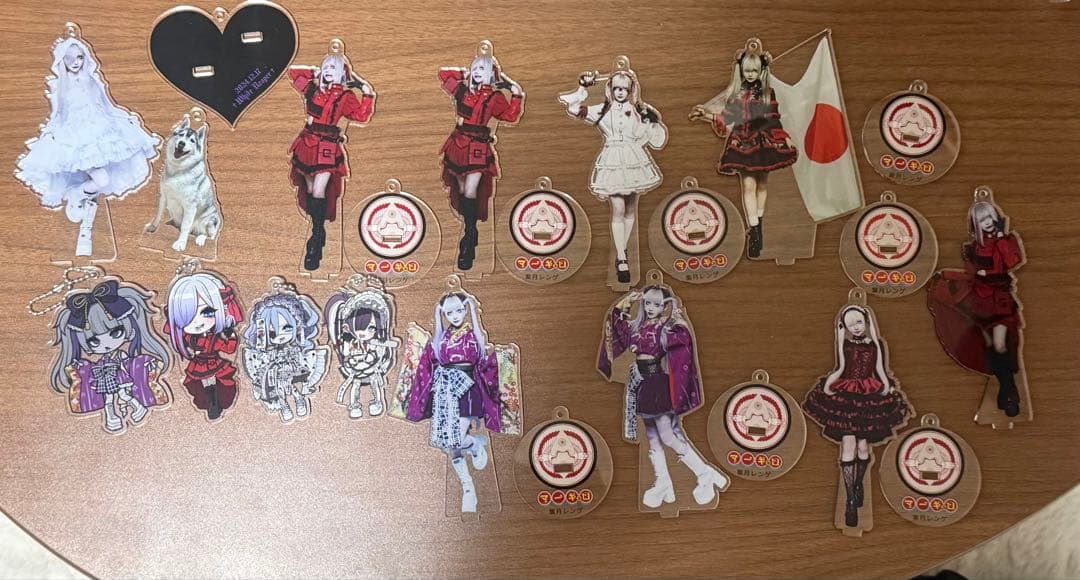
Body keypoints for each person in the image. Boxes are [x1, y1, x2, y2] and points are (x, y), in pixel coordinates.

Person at [16, 33, 159, 257]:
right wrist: (53, 139)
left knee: (103, 180)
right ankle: (76, 194)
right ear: (62, 61)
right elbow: (58, 116)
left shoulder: (92, 81)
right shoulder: (60, 86)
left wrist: (124, 124)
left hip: (100, 134)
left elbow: (107, 106)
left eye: (80, 57)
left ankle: (85, 227)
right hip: (77, 140)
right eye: (70, 58)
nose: (75, 62)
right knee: (102, 179)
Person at [597, 286, 728, 508]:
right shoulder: (637, 327)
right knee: (653, 437)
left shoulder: (665, 329)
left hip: (658, 383)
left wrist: (677, 317)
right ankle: (663, 481)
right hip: (642, 384)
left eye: (657, 304)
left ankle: (704, 473)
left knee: (669, 435)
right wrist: (625, 303)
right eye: (647, 303)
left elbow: (683, 339)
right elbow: (617, 328)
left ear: (664, 306)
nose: (650, 308)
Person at [803, 306, 911, 528]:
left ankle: (858, 483)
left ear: (866, 322)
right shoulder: (845, 344)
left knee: (863, 448)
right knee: (848, 444)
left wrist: (886, 388)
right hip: (847, 393)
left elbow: (880, 370)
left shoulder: (875, 344)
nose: (856, 327)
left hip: (868, 395)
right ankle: (850, 499)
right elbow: (841, 367)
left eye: (859, 322)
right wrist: (829, 385)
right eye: (851, 324)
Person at [405, 292, 512, 513]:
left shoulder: (473, 335)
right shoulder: (441, 338)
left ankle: (473, 444)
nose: (455, 316)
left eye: (459, 311)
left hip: (467, 389)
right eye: (449, 312)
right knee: (447, 444)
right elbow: (429, 361)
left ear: (465, 310)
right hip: (445, 391)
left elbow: (482, 356)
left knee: (454, 439)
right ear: (443, 314)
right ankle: (468, 487)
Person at [690, 42, 797, 258]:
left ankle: (759, 224)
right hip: (742, 141)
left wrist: (785, 139)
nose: (750, 74)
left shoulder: (767, 93)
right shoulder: (737, 95)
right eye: (747, 70)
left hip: (764, 140)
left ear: (761, 71)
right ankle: (754, 230)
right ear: (741, 71)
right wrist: (706, 115)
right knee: (748, 185)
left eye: (754, 71)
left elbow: (774, 119)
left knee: (762, 185)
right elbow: (728, 118)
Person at [561, 69, 667, 283]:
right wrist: (583, 86)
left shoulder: (638, 111)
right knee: (617, 209)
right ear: (610, 88)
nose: (620, 92)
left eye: (624, 89)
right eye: (616, 88)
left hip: (633, 160)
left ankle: (622, 249)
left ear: (631, 90)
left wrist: (653, 121)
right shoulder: (602, 110)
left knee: (630, 209)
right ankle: (621, 258)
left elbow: (656, 140)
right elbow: (573, 109)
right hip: (612, 161)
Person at [927, 200, 1025, 417]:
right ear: (975, 223)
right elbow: (970, 275)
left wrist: (1001, 239)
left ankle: (1009, 393)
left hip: (999, 301)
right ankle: (1005, 391)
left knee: (1000, 345)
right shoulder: (973, 248)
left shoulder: (1006, 241)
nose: (987, 222)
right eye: (982, 219)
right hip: (979, 301)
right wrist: (946, 275)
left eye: (990, 217)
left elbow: (1012, 262)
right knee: (989, 346)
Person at [287, 53, 375, 270]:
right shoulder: (313, 90)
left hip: (327, 146)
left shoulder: (345, 96)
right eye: (325, 67)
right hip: (307, 143)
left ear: (341, 73)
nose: (327, 71)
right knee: (310, 191)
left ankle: (316, 240)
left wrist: (366, 90)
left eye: (332, 68)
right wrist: (315, 72)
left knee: (319, 191)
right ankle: (319, 231)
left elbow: (361, 116)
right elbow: (294, 73)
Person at [48, 280, 172, 433]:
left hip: (120, 375)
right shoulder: (101, 361)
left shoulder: (121, 355)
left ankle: (137, 406)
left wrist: (145, 366)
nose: (106, 344)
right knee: (108, 398)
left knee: (123, 395)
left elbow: (130, 364)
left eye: (116, 333)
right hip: (105, 377)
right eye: (94, 341)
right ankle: (111, 416)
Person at [437, 51, 523, 270]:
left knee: (470, 190)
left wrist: (514, 89)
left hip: (477, 146)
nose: (476, 72)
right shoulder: (462, 90)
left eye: (481, 69)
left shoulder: (495, 97)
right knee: (461, 189)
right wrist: (465, 72)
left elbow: (511, 116)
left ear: (491, 74)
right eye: (475, 68)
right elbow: (443, 74)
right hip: (458, 144)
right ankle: (471, 230)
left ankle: (468, 239)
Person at [164, 272, 242, 421]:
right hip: (198, 364)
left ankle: (215, 401)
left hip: (213, 362)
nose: (198, 322)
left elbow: (229, 349)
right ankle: (210, 402)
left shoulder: (214, 339)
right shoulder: (190, 337)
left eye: (207, 312)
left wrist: (231, 334)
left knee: (219, 384)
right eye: (188, 317)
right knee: (200, 385)